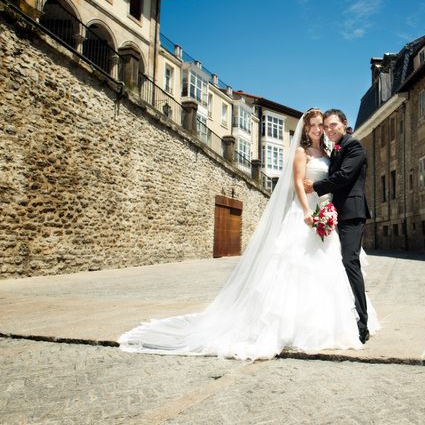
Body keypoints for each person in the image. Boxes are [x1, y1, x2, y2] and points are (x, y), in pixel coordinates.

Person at [118, 108, 379, 360]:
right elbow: (299, 183)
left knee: (333, 266)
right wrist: (306, 211)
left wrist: (320, 197)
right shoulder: (302, 153)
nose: (319, 129)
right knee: (295, 265)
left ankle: (339, 322)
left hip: (327, 210)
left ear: (337, 126)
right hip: (307, 211)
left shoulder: (334, 150)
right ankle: (290, 325)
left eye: (323, 125)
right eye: (315, 125)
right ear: (306, 128)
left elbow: (340, 178)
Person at [303, 109, 371, 344]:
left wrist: (316, 186)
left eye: (334, 125)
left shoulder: (354, 147)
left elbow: (344, 176)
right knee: (334, 263)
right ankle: (340, 315)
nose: (329, 129)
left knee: (350, 262)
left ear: (344, 124)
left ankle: (363, 323)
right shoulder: (336, 149)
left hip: (352, 213)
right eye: (327, 126)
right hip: (336, 213)